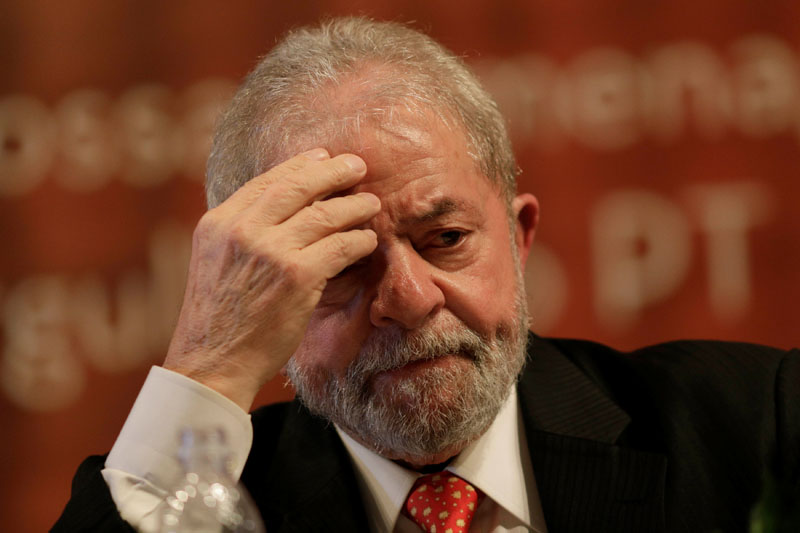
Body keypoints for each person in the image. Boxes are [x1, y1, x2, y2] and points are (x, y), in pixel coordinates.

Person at [55, 17, 798, 533]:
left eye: (445, 238)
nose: (408, 300)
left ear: (519, 236)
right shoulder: (209, 502)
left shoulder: (757, 420)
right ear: (257, 294)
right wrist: (208, 368)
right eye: (342, 261)